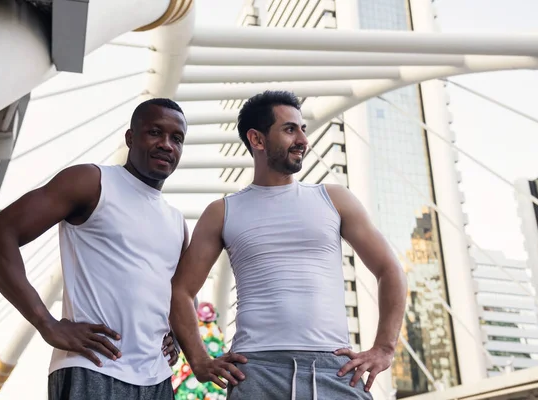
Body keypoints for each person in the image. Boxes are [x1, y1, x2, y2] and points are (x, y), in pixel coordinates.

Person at [169, 91, 408, 399]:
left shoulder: (334, 199)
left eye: (303, 129)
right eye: (289, 129)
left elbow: (390, 269)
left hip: (334, 369)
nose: (303, 140)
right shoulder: (222, 212)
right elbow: (181, 290)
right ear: (257, 139)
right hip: (256, 371)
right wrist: (199, 360)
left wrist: (384, 349)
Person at [0, 98, 190, 400]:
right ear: (130, 138)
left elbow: (179, 296)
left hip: (156, 379)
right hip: (93, 368)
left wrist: (176, 337)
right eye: (155, 133)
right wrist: (45, 323)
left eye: (176, 138)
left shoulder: (177, 223)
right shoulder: (92, 182)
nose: (167, 144)